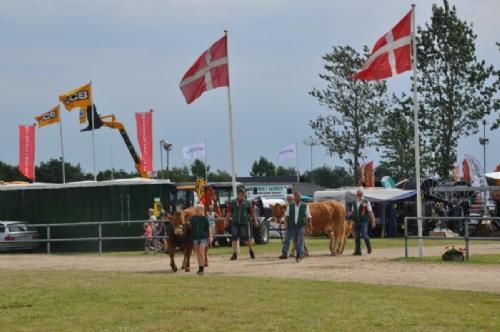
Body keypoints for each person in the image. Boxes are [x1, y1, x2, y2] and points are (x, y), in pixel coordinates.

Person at [226, 188, 257, 260]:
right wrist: (226, 220)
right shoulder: (233, 202)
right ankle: (234, 254)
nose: (242, 195)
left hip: (244, 222)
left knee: (246, 239)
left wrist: (255, 220)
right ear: (238, 194)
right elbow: (229, 212)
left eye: (243, 194)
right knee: (234, 238)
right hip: (235, 223)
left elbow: (252, 212)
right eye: (240, 193)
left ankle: (251, 250)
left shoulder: (247, 202)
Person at [284, 191, 311, 263]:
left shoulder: (305, 205)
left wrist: (309, 226)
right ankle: (300, 254)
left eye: (298, 196)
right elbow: (286, 216)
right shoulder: (290, 206)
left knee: (299, 241)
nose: (297, 197)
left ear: (300, 197)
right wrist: (286, 223)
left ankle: (299, 255)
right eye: (296, 196)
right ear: (294, 197)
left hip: (301, 226)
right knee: (295, 241)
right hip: (293, 226)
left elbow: (308, 217)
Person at [351, 188, 375, 256]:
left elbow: (370, 212)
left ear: (363, 194)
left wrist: (373, 221)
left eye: (360, 194)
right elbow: (353, 212)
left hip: (364, 221)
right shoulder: (354, 202)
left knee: (365, 235)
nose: (359, 195)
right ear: (356, 195)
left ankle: (369, 248)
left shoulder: (366, 201)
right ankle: (358, 251)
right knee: (357, 236)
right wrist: (350, 217)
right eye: (358, 194)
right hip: (356, 221)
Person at [191, 204, 212, 275]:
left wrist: (210, 237)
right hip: (195, 238)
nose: (196, 211)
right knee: (198, 253)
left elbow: (208, 228)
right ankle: (200, 267)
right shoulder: (193, 218)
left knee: (201, 252)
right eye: (196, 209)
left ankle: (202, 268)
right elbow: (190, 226)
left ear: (202, 210)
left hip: (203, 238)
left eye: (198, 209)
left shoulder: (205, 219)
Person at [278, 195, 295, 259]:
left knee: (297, 240)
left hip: (295, 226)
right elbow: (285, 216)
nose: (289, 200)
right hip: (289, 226)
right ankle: (284, 253)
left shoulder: (296, 206)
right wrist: (283, 223)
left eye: (290, 199)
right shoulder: (287, 206)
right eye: (288, 199)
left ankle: (301, 252)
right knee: (286, 240)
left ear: (293, 199)